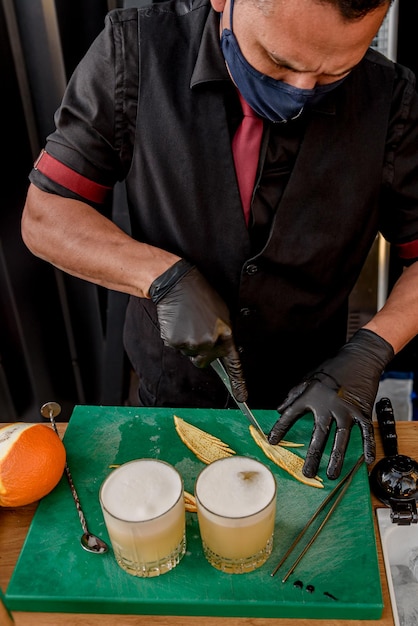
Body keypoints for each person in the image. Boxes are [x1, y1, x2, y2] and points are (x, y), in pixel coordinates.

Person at [21, 0, 418, 481]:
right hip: (170, 390)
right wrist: (160, 278)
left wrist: (372, 348)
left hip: (314, 396)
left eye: (335, 74)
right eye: (279, 63)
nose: (300, 94)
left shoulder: (393, 100)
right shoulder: (136, 50)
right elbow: (46, 216)